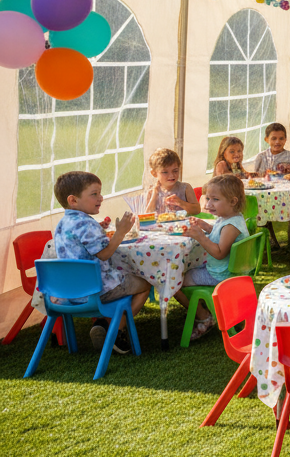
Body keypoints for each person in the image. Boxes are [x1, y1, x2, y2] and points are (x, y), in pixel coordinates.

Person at [51, 171, 141, 354]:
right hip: (96, 291)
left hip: (70, 292)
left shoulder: (62, 223)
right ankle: (116, 331)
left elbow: (78, 243)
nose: (101, 197)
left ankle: (103, 323)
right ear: (73, 200)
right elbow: (105, 254)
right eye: (94, 194)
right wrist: (120, 232)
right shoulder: (87, 224)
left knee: (125, 279)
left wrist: (98, 230)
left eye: (100, 193)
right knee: (145, 283)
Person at [176, 174, 247, 341]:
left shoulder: (230, 226)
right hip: (225, 271)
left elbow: (219, 252)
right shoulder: (230, 219)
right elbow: (219, 235)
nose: (208, 204)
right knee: (184, 271)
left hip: (220, 275)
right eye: (208, 198)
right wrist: (205, 226)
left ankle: (204, 316)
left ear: (233, 201)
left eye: (215, 199)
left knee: (175, 281)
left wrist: (200, 237)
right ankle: (207, 308)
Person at [143, 148, 199, 216]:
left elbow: (197, 210)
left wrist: (181, 203)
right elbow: (147, 216)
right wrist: (155, 195)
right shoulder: (151, 192)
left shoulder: (185, 188)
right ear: (154, 173)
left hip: (183, 222)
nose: (171, 175)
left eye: (175, 171)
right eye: (165, 172)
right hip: (161, 223)